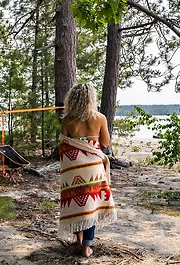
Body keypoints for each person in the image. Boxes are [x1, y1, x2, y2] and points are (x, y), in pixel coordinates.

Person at [58, 83, 117, 257]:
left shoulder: (68, 120)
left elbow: (64, 146)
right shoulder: (99, 118)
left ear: (73, 99)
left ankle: (78, 238)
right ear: (91, 99)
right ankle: (86, 246)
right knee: (92, 204)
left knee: (77, 202)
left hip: (73, 168)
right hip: (93, 168)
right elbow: (105, 143)